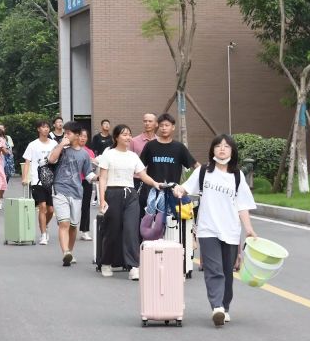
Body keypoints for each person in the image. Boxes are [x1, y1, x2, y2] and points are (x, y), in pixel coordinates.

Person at [173, 134, 257, 327]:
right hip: (207, 229)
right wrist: (179, 190)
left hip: (231, 231)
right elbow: (185, 189)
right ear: (212, 150)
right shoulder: (203, 171)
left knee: (227, 271)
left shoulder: (237, 176)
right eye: (218, 146)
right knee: (214, 269)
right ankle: (217, 307)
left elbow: (242, 205)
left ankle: (225, 307)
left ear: (232, 151)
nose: (222, 149)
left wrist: (249, 229)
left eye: (226, 146)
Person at [98, 124, 163, 280]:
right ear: (116, 138)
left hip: (131, 195)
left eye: (129, 134)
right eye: (124, 134)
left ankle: (134, 266)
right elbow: (103, 178)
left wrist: (155, 183)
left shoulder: (133, 156)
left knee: (131, 230)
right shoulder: (109, 154)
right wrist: (102, 199)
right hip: (112, 193)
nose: (128, 137)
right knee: (112, 230)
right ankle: (106, 262)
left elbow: (142, 175)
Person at [139, 113, 198, 238]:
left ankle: (171, 254)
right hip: (152, 194)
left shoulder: (179, 148)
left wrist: (208, 174)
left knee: (172, 228)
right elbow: (140, 169)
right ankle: (149, 254)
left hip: (173, 195)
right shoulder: (150, 146)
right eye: (161, 125)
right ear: (157, 127)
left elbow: (196, 166)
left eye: (167, 125)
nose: (164, 128)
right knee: (150, 228)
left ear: (173, 127)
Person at [48, 121, 96, 266]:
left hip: (76, 192)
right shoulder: (61, 148)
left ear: (76, 135)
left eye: (68, 133)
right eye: (65, 133)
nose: (66, 135)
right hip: (60, 189)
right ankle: (66, 253)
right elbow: (51, 159)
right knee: (64, 223)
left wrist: (98, 178)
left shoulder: (85, 154)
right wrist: (61, 144)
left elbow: (88, 174)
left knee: (74, 226)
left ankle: (70, 251)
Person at [22, 121, 58, 244]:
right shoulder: (33, 145)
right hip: (37, 180)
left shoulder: (54, 143)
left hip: (51, 181)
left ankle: (45, 226)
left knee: (51, 210)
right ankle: (43, 234)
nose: (46, 129)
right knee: (42, 207)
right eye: (43, 127)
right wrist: (25, 178)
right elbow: (27, 162)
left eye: (47, 127)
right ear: (38, 129)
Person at [130, 113, 158, 191]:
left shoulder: (159, 141)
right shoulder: (134, 141)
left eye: (150, 121)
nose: (147, 123)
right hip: (137, 179)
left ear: (156, 124)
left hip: (155, 179)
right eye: (145, 121)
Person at [78, 128, 98, 241]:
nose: (83, 138)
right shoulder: (71, 150)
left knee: (86, 206)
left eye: (85, 136)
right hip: (73, 181)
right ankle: (69, 227)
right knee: (73, 206)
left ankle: (84, 230)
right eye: (80, 136)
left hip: (86, 181)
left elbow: (93, 167)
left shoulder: (89, 151)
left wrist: (93, 161)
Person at [90, 119, 113, 205]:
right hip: (99, 161)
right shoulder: (97, 137)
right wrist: (94, 160)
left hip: (109, 162)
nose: (107, 125)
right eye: (105, 124)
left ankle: (105, 197)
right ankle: (97, 198)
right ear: (101, 126)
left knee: (108, 180)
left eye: (108, 124)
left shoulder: (111, 138)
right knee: (99, 179)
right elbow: (93, 149)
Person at [0, 124, 15, 210]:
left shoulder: (8, 138)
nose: (1, 130)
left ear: (5, 129)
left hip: (7, 162)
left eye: (2, 128)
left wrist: (7, 152)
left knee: (4, 182)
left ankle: (0, 198)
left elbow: (10, 150)